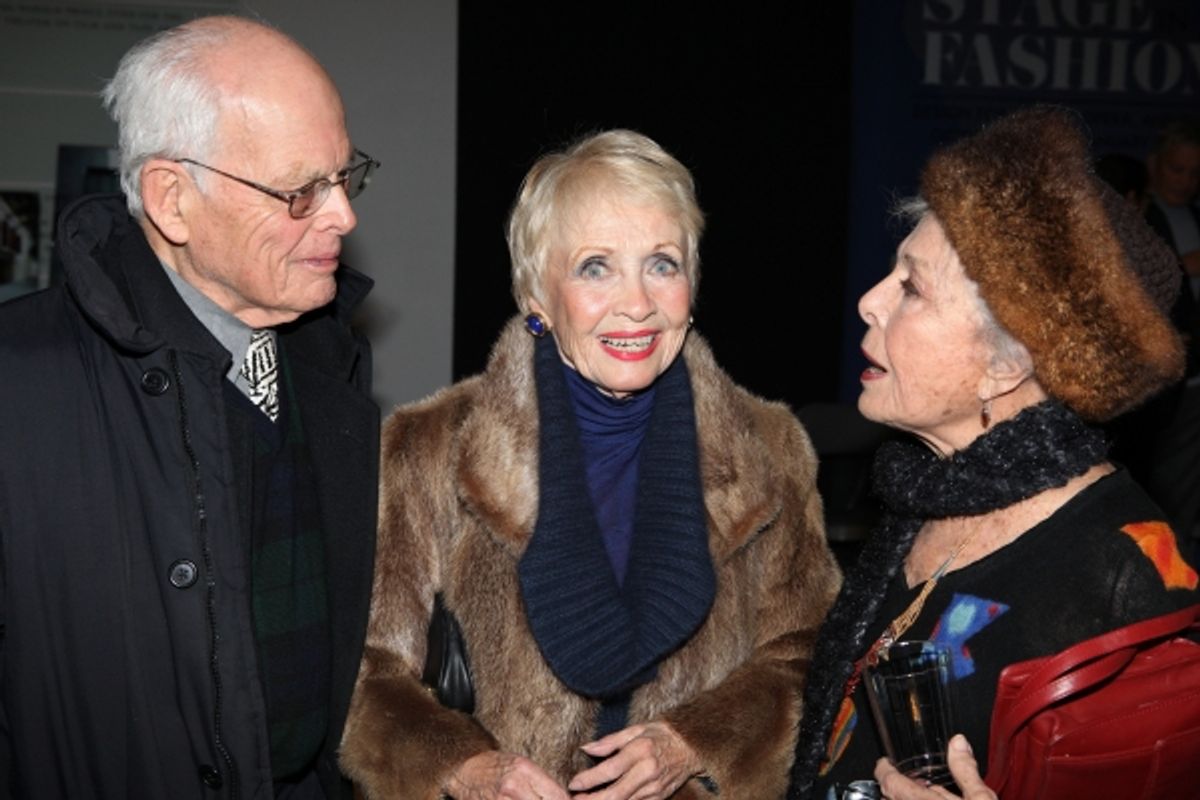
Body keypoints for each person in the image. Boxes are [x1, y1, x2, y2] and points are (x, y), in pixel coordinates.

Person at [338, 129, 841, 800]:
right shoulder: (429, 448)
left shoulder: (769, 450)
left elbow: (811, 653)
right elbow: (363, 670)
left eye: (662, 264)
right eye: (596, 267)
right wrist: (465, 767)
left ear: (692, 283)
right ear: (537, 297)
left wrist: (696, 742)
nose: (637, 303)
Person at [0, 16, 381, 799]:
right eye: (300, 191)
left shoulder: (328, 363)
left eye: (345, 177)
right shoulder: (19, 386)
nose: (343, 216)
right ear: (172, 200)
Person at [788, 106, 1199, 800]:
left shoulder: (1130, 578)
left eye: (911, 287)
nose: (869, 302)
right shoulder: (930, 489)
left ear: (1005, 367)